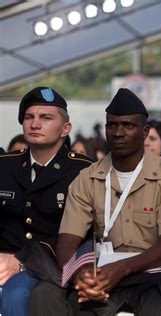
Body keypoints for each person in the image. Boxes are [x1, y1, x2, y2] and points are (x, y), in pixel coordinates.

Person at [29, 88, 161, 315]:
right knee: (44, 293)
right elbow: (67, 241)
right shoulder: (87, 178)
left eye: (128, 125)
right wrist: (80, 276)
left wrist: (121, 269)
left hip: (153, 274)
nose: (118, 132)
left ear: (145, 132)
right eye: (112, 125)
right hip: (100, 273)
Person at [0, 87, 92, 316]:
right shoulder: (4, 166)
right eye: (29, 117)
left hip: (49, 266)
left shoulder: (83, 170)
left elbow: (87, 235)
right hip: (2, 263)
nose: (35, 124)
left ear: (65, 129)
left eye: (46, 117)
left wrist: (20, 262)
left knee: (16, 293)